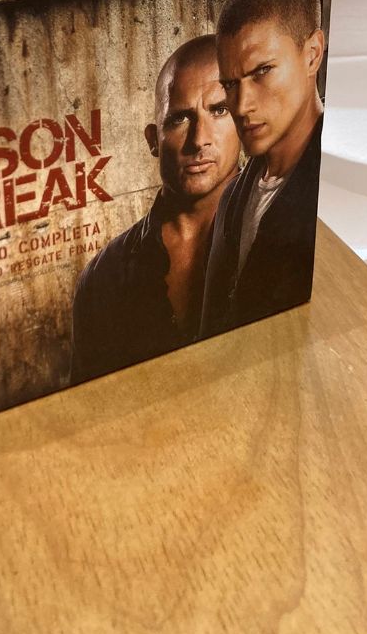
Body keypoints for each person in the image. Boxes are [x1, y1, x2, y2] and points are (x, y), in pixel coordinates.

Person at [69, 35, 241, 384]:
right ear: (153, 140)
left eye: (219, 110)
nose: (199, 140)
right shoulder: (104, 277)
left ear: (243, 119)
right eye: (180, 118)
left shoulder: (276, 233)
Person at [199, 0, 326, 340]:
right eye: (230, 84)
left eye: (261, 72)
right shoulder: (233, 199)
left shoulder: (334, 185)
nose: (241, 106)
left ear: (312, 54)